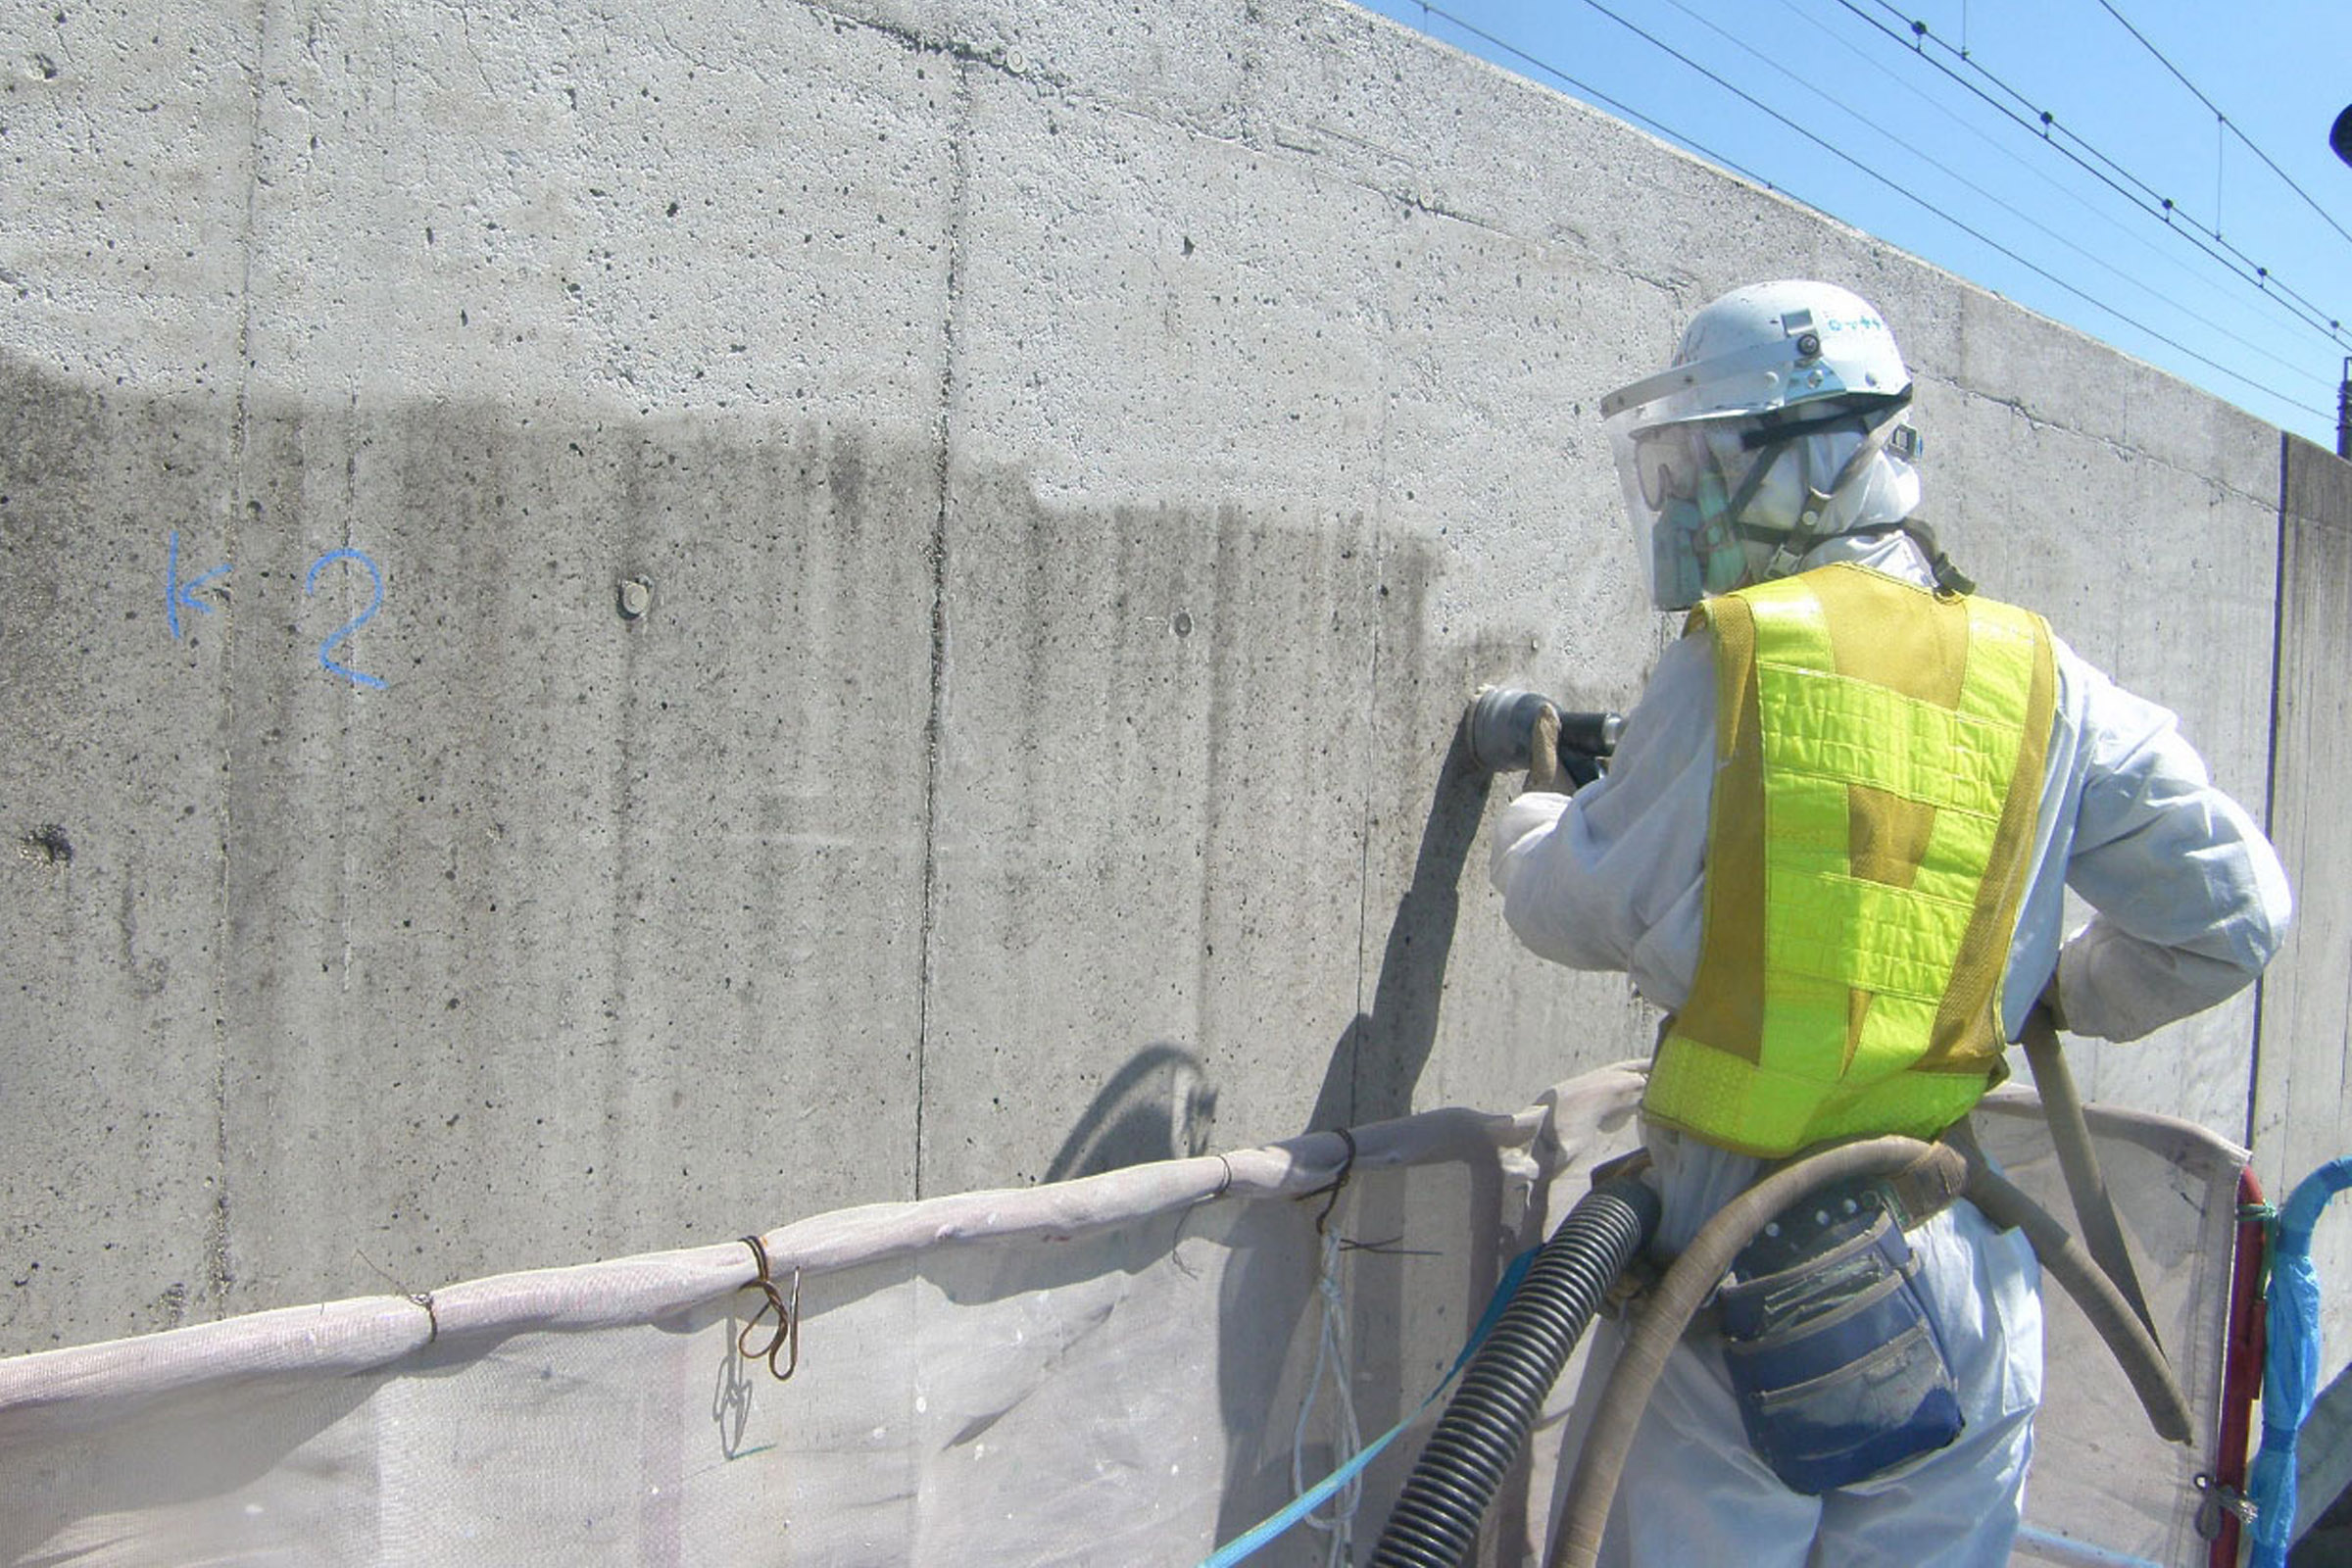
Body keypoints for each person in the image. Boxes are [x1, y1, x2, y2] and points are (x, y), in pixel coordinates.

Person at [1487, 279, 2292, 1565]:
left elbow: (1569, 905)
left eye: (1708, 460)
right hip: (1961, 1272)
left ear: (1823, 459)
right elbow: (2234, 910)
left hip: (1741, 1274)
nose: (1685, 498)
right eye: (1672, 465)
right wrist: (2057, 988)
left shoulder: (1746, 652)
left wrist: (1533, 809)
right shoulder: (2043, 674)